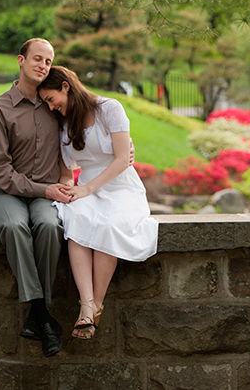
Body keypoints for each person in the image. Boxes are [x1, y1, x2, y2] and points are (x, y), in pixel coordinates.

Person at [0, 39, 136, 355]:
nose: (42, 65)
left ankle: (38, 317)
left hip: (46, 194)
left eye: (48, 61)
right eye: (36, 59)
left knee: (51, 226)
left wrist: (126, 153)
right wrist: (48, 189)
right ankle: (40, 313)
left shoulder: (58, 109)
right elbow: (0, 171)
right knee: (14, 228)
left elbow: (92, 139)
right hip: (8, 192)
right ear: (21, 60)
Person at [37, 66, 158, 340]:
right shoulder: (64, 122)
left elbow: (121, 159)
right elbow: (67, 173)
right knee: (77, 216)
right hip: (87, 188)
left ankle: (96, 305)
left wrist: (86, 189)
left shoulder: (109, 109)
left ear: (65, 86)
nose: (51, 107)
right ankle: (87, 307)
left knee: (110, 224)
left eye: (51, 99)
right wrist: (69, 189)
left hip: (120, 186)